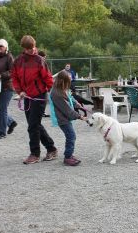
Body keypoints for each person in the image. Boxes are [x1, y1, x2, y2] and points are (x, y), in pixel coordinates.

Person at [11, 35, 58, 164]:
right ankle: (51, 148)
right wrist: (20, 91)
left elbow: (48, 78)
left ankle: (34, 154)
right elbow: (15, 78)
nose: (32, 50)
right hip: (26, 96)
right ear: (23, 48)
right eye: (29, 48)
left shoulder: (39, 60)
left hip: (39, 96)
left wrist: (52, 92)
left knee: (33, 125)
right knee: (35, 125)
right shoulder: (18, 61)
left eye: (33, 47)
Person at [50, 70, 87, 166]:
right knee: (71, 136)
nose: (69, 85)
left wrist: (76, 103)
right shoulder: (56, 93)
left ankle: (69, 155)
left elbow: (69, 96)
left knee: (70, 136)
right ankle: (68, 157)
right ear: (62, 81)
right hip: (62, 118)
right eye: (68, 82)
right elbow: (67, 110)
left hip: (65, 117)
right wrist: (79, 116)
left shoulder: (61, 88)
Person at [38, 50, 50, 118]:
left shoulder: (43, 63)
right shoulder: (41, 63)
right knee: (43, 100)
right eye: (44, 57)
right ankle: (41, 112)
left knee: (44, 100)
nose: (45, 58)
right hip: (41, 87)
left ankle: (42, 112)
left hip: (43, 86)